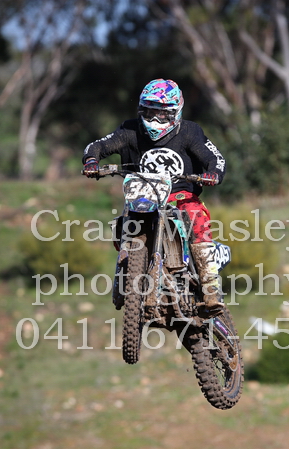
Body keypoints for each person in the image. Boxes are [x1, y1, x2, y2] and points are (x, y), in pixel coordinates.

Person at [82, 78, 226, 311]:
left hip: (180, 197)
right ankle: (126, 273)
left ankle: (210, 287)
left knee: (197, 218)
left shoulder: (190, 131)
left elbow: (215, 158)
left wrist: (214, 173)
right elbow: (97, 145)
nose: (156, 119)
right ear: (141, 110)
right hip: (142, 197)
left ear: (176, 112)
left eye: (163, 114)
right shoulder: (129, 130)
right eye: (150, 112)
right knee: (122, 225)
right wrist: (91, 161)